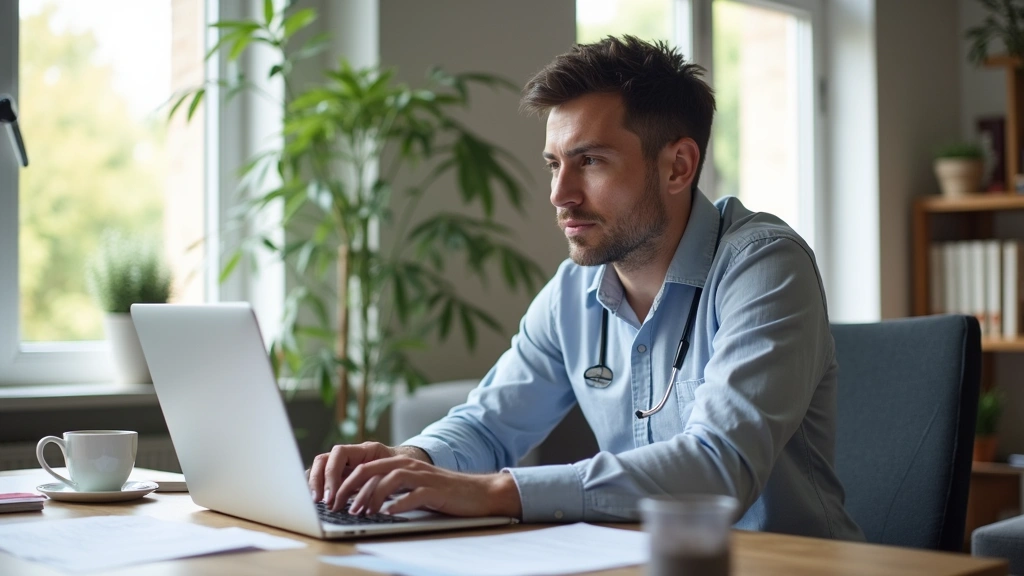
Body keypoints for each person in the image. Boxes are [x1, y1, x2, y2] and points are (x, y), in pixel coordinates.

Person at [307, 35, 864, 540]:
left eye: (590, 161)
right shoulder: (574, 290)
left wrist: (497, 491)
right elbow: (490, 422)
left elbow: (718, 468)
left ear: (677, 166)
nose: (560, 194)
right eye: (554, 165)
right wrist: (411, 460)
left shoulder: (763, 266)